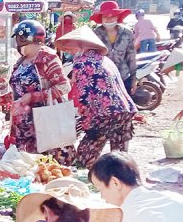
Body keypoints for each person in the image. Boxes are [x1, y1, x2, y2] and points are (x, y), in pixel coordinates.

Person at [0, 20, 73, 161]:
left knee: (47, 166)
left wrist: (34, 96)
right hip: (22, 128)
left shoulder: (47, 58)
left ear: (29, 38)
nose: (18, 43)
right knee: (25, 166)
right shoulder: (21, 61)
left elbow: (63, 86)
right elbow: (17, 92)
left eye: (20, 38)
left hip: (45, 124)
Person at [55, 26, 137, 168]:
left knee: (84, 156)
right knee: (121, 158)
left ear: (82, 45)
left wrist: (87, 125)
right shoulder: (105, 59)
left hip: (104, 113)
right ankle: (125, 182)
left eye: (72, 46)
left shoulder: (81, 63)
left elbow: (84, 97)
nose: (70, 50)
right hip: (125, 110)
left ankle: (88, 181)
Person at [92, 1, 138, 94]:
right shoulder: (95, 34)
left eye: (112, 16)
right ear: (101, 18)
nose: (109, 19)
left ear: (118, 16)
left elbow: (131, 57)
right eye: (105, 16)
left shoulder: (127, 33)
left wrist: (134, 79)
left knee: (125, 107)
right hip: (103, 79)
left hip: (124, 78)